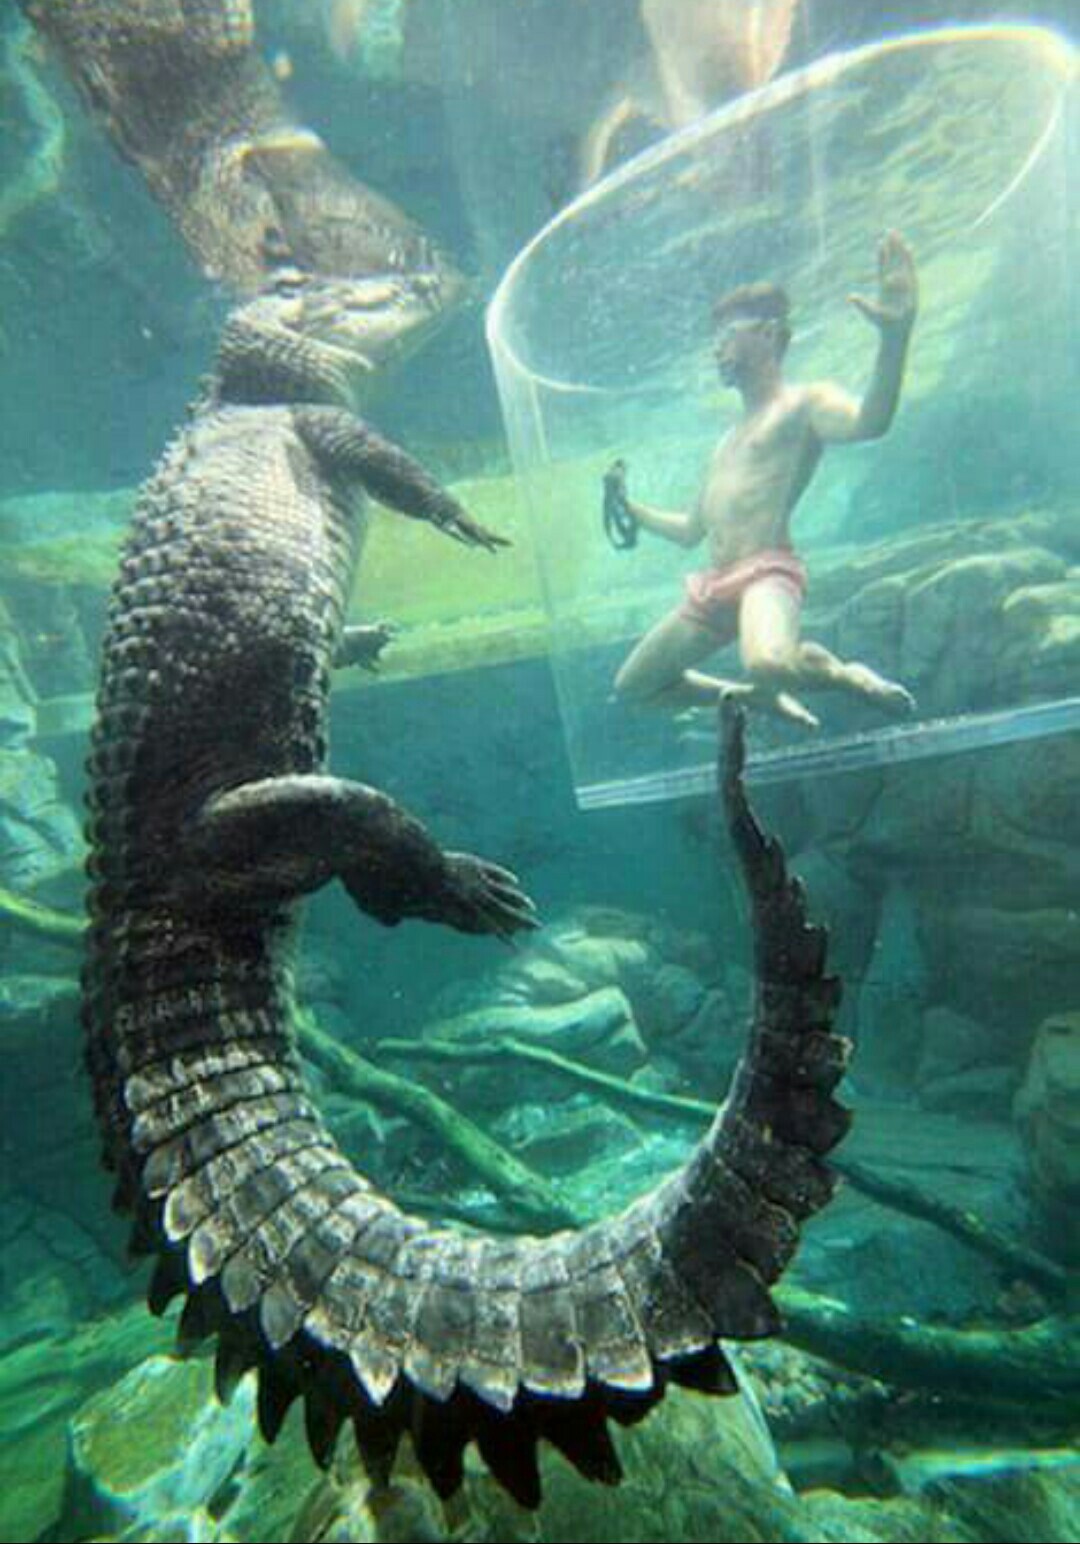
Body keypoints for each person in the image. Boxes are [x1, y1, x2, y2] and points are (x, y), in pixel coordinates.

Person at [611, 231, 918, 729]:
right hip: (714, 586)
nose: (717, 350)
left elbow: (871, 421)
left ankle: (847, 676)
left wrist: (895, 338)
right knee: (634, 687)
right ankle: (755, 699)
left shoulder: (804, 403)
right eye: (716, 340)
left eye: (729, 335)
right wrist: (634, 510)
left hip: (766, 572)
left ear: (771, 335)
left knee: (768, 662)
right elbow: (692, 529)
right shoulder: (726, 440)